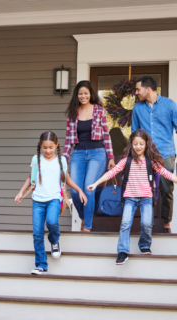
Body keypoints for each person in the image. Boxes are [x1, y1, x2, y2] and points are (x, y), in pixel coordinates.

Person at [88, 129, 177, 265]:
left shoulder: (151, 162)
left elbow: (166, 173)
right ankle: (122, 252)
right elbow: (112, 172)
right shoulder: (126, 161)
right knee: (125, 224)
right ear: (131, 144)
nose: (138, 147)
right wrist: (96, 183)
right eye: (135, 144)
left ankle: (145, 245)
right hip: (130, 197)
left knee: (147, 224)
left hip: (146, 198)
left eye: (141, 144)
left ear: (146, 144)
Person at [15, 131, 87, 275]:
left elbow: (67, 179)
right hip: (38, 201)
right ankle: (41, 265)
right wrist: (21, 192)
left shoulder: (61, 161)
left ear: (56, 146)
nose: (48, 151)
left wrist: (79, 190)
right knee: (37, 233)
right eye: (45, 148)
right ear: (40, 147)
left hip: (54, 199)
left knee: (52, 222)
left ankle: (54, 241)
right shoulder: (36, 159)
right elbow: (30, 178)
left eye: (51, 147)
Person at [63, 80, 115, 232]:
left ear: (90, 94)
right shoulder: (72, 113)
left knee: (88, 188)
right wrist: (64, 160)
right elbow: (68, 141)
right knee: (74, 190)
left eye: (86, 93)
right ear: (76, 95)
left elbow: (106, 134)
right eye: (80, 93)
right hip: (78, 153)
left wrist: (111, 156)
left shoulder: (99, 111)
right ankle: (85, 216)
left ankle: (87, 227)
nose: (83, 96)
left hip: (97, 153)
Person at [132, 76, 177, 233]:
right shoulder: (138, 109)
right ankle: (147, 224)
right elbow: (134, 133)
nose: (136, 92)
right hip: (147, 156)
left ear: (148, 89)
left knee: (166, 189)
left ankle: (166, 223)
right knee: (147, 190)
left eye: (138, 89)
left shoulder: (170, 105)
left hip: (166, 154)